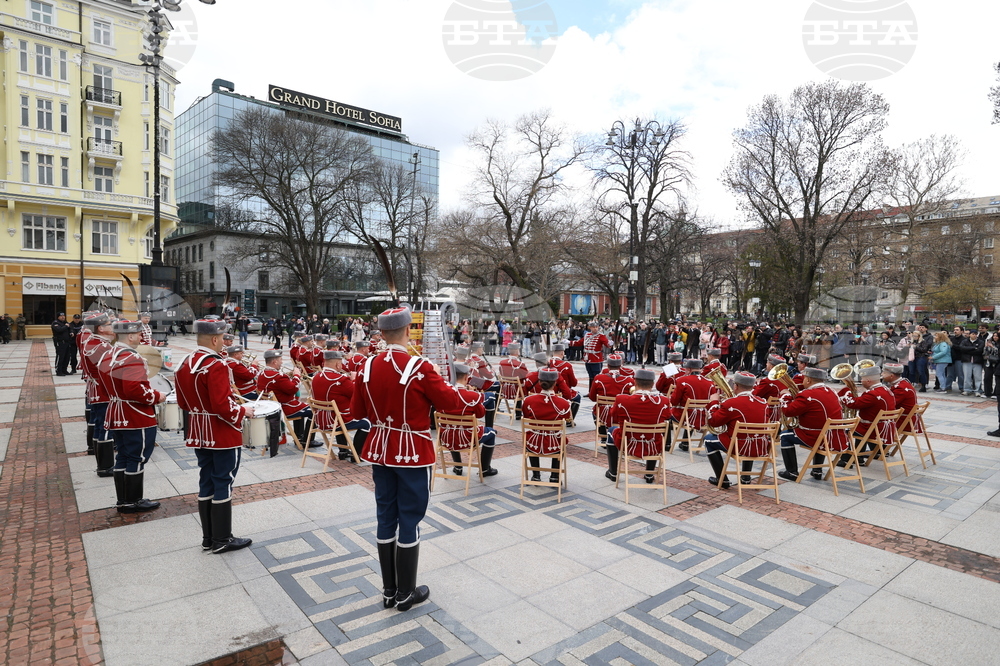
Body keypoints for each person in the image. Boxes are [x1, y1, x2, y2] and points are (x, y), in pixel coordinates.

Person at [351, 306, 460, 612]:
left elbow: (358, 413)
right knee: (409, 519)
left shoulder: (367, 365)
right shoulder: (419, 366)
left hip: (380, 449)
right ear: (408, 331)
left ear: (382, 333)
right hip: (411, 450)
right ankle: (405, 594)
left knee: (385, 516)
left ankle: (388, 591)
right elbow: (449, 403)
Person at [175, 319, 256, 553]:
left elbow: (182, 402)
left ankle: (208, 538)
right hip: (220, 432)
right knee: (224, 481)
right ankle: (222, 539)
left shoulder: (185, 362)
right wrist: (243, 410)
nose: (224, 343)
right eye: (222, 339)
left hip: (198, 431)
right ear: (214, 339)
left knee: (206, 480)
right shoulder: (217, 365)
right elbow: (222, 406)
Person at [101, 320, 167, 513]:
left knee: (123, 456)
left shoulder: (108, 354)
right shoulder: (132, 358)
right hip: (135, 415)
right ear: (130, 336)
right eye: (138, 334)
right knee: (136, 458)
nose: (141, 337)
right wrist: (157, 396)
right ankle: (133, 500)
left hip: (116, 411)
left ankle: (123, 499)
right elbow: (134, 390)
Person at [777, 367, 847, 481]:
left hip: (817, 438)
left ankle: (792, 472)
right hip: (836, 437)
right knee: (821, 432)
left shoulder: (807, 395)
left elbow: (788, 411)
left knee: (785, 436)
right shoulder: (832, 391)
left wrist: (785, 396)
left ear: (808, 380)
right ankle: (817, 470)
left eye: (804, 378)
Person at [704, 371, 771, 488]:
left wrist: (714, 402)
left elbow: (713, 422)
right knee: (749, 434)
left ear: (735, 386)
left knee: (708, 440)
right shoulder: (763, 403)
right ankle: (745, 477)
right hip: (760, 447)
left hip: (740, 447)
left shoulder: (731, 403)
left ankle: (722, 479)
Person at [604, 368, 669, 483]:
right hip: (653, 444)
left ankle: (613, 472)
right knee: (656, 432)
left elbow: (612, 415)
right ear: (652, 384)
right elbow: (668, 415)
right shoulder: (663, 401)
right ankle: (649, 474)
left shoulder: (621, 399)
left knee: (611, 430)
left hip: (629, 443)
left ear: (635, 382)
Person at [440, 363, 499, 476]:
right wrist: (473, 393)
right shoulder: (472, 396)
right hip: (466, 439)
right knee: (491, 432)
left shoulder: (442, 395)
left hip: (446, 438)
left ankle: (458, 467)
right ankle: (485, 469)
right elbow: (480, 414)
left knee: (452, 427)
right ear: (466, 378)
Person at [311, 350, 370, 461]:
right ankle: (356, 454)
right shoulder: (340, 380)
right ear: (338, 364)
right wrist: (354, 380)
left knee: (340, 413)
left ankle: (343, 451)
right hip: (335, 421)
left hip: (320, 420)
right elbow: (358, 394)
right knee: (367, 422)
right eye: (341, 363)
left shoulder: (316, 377)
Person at [521, 369, 572, 483]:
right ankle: (554, 476)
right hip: (554, 444)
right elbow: (566, 417)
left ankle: (536, 475)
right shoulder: (563, 403)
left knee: (529, 435)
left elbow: (526, 415)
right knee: (561, 439)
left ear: (539, 382)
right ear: (555, 383)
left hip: (533, 442)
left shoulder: (528, 400)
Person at [840, 364, 896, 465]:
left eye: (862, 379)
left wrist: (847, 392)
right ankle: (859, 456)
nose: (861, 381)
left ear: (868, 381)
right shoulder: (886, 390)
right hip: (884, 428)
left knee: (843, 428)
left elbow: (852, 403)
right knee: (860, 425)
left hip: (874, 429)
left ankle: (846, 459)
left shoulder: (872, 394)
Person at [256, 350, 314, 446]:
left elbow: (282, 386)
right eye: (280, 360)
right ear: (274, 362)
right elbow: (293, 389)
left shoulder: (262, 374)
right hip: (285, 408)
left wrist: (289, 377)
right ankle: (307, 440)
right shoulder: (278, 376)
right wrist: (296, 376)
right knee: (314, 411)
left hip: (272, 407)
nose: (282, 362)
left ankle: (299, 436)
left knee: (303, 408)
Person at [82, 314, 115, 474]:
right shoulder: (101, 346)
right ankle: (105, 466)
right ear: (101, 328)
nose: (112, 326)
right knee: (105, 426)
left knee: (98, 425)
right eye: (109, 324)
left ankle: (100, 460)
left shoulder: (93, 341)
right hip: (103, 391)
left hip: (96, 389)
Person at [590, 357, 635, 449]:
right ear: (620, 366)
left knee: (595, 410)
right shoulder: (629, 381)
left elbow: (592, 397)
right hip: (620, 413)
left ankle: (603, 437)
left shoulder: (599, 378)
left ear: (607, 366)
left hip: (603, 414)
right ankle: (620, 435)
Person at [668, 359, 713, 452]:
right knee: (693, 411)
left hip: (685, 417)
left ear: (688, 369)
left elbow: (674, 401)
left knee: (666, 415)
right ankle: (685, 443)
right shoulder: (710, 382)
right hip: (703, 418)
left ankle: (667, 444)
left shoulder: (681, 380)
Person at [583, 321, 612, 387]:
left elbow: (606, 343)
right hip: (588, 358)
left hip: (596, 358)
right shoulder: (587, 335)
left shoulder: (601, 336)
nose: (595, 328)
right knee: (590, 376)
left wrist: (610, 344)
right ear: (590, 328)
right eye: (593, 327)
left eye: (596, 327)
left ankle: (596, 391)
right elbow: (580, 342)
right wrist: (570, 342)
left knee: (596, 376)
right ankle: (590, 391)